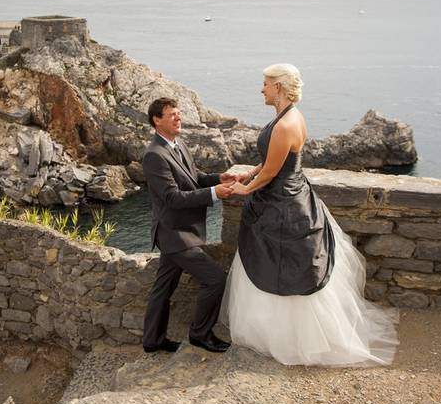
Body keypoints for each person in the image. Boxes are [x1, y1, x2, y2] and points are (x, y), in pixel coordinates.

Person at [223, 64, 398, 366]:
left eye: (265, 84)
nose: (261, 89)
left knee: (285, 268)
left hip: (282, 206)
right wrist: (244, 176)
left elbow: (270, 174)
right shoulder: (288, 117)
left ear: (278, 87)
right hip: (286, 196)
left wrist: (245, 190)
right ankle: (273, 332)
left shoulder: (285, 125)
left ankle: (292, 340)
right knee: (278, 265)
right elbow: (267, 164)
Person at [141, 97, 239, 354]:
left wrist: (219, 178)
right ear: (157, 120)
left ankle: (153, 340)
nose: (178, 117)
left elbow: (194, 179)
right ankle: (200, 334)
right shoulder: (153, 155)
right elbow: (172, 198)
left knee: (163, 288)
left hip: (182, 232)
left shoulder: (178, 143)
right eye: (172, 114)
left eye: (178, 113)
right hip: (175, 234)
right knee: (216, 279)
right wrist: (215, 193)